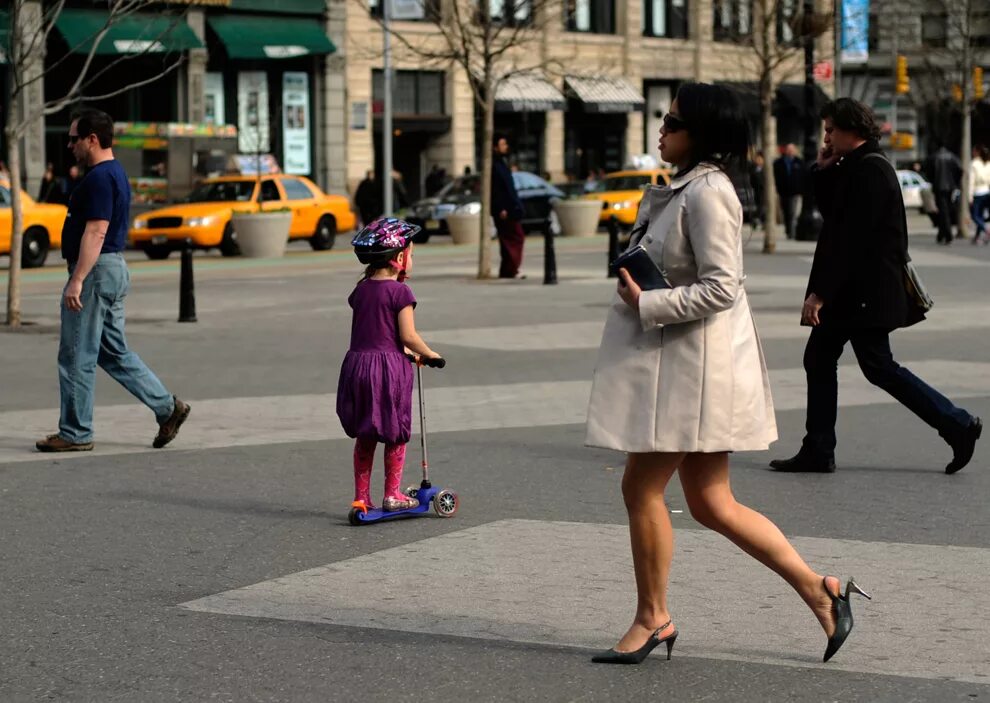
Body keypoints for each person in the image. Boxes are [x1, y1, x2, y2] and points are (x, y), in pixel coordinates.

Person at [585, 83, 868, 666]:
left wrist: (647, 303)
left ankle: (652, 617)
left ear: (702, 134)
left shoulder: (709, 193)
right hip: (690, 368)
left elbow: (722, 286)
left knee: (640, 487)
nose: (661, 129)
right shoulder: (688, 188)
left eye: (672, 121)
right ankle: (821, 589)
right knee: (713, 502)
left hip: (693, 374)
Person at [770, 98, 982, 475]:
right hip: (855, 293)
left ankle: (957, 423)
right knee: (829, 360)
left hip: (861, 294)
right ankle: (819, 447)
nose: (826, 136)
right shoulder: (855, 165)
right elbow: (833, 215)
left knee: (873, 366)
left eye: (831, 129)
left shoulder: (870, 170)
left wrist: (821, 293)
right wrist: (822, 169)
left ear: (852, 129)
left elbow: (849, 239)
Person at [36, 109, 190, 453]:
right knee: (112, 351)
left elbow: (96, 229)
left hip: (96, 272)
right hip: (111, 269)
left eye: (75, 138)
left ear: (93, 139)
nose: (71, 144)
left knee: (76, 354)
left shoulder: (99, 178)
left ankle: (75, 432)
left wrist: (77, 280)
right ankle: (167, 408)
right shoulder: (114, 173)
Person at [336, 217, 443, 512]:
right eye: (412, 254)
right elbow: (407, 334)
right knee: (395, 432)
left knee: (366, 434)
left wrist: (406, 350)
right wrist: (431, 354)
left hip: (357, 367)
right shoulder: (400, 293)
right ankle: (392, 494)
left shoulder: (361, 290)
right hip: (388, 372)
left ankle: (361, 498)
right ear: (399, 258)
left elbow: (377, 332)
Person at [491, 134, 526, 279]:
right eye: (502, 144)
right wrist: (501, 208)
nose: (505, 147)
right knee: (515, 237)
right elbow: (496, 189)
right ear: (495, 147)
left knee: (508, 239)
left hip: (510, 207)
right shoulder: (494, 166)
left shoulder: (502, 164)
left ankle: (507, 270)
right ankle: (511, 269)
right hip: (504, 210)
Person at [927, 143, 962, 245]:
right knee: (945, 211)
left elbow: (928, 171)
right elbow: (960, 170)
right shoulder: (952, 156)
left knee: (943, 211)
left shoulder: (934, 157)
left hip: (939, 187)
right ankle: (941, 235)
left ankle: (947, 235)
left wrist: (933, 181)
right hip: (950, 187)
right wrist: (955, 183)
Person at [773, 143, 804, 239]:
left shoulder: (799, 162)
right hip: (783, 192)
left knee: (792, 213)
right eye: (788, 150)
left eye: (792, 150)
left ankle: (792, 232)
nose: (790, 152)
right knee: (785, 212)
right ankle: (788, 230)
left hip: (795, 192)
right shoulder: (778, 163)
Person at [969, 145, 990, 245]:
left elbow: (971, 182)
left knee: (975, 216)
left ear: (977, 152)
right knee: (980, 215)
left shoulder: (974, 164)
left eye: (973, 151)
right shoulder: (987, 163)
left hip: (977, 192)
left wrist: (970, 195)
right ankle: (977, 237)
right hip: (987, 191)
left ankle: (986, 230)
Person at [749, 150, 766, 228]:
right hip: (757, 191)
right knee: (759, 207)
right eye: (757, 158)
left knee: (762, 207)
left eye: (760, 159)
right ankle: (757, 220)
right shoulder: (753, 168)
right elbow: (751, 180)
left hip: (764, 191)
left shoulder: (766, 169)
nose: (758, 160)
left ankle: (758, 221)